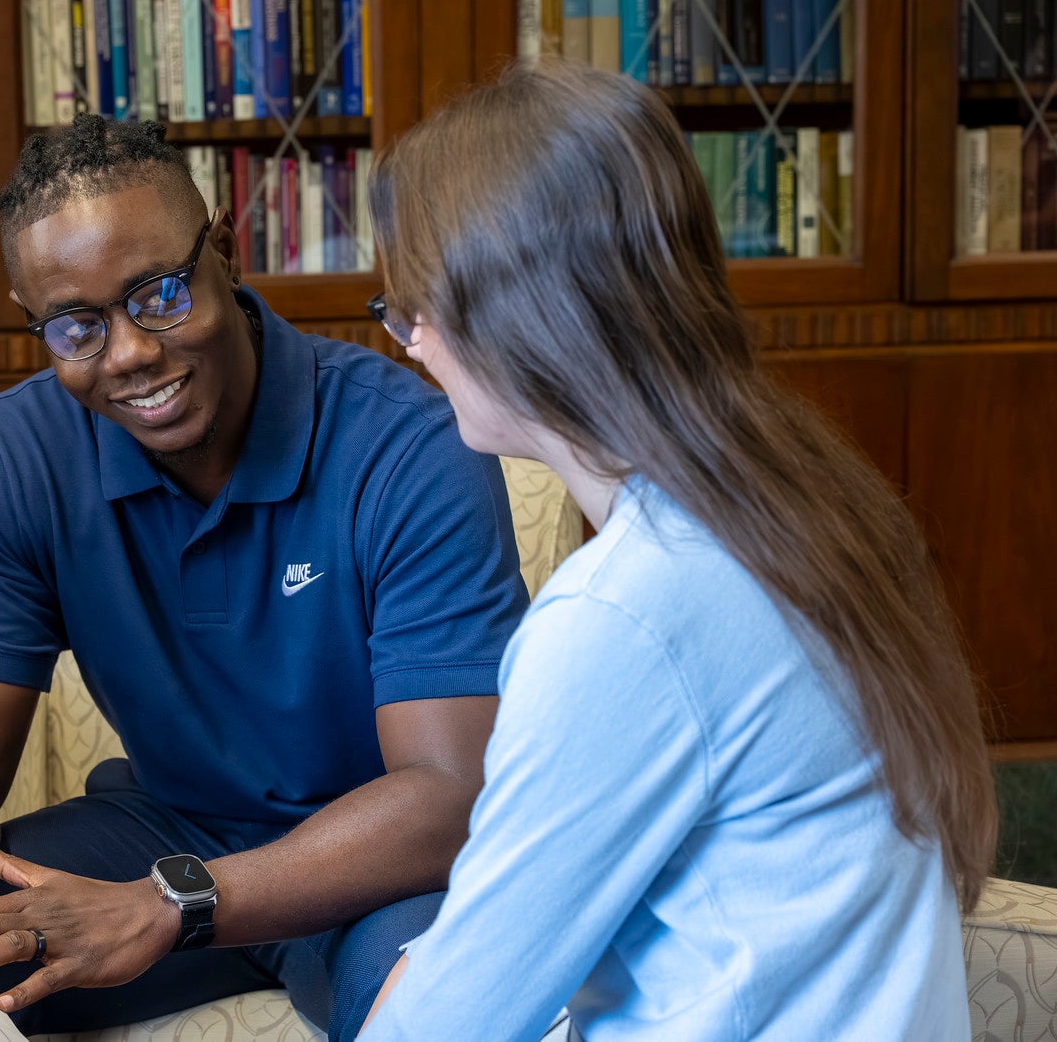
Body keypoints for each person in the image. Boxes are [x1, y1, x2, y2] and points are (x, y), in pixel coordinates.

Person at [0, 114, 530, 1041]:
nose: (129, 351)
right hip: (160, 827)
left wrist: (172, 902)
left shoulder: (408, 446)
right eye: (78, 326)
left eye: (159, 293)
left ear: (225, 252)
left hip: (376, 867)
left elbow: (451, 790)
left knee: (444, 1005)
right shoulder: (14, 457)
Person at [356, 59, 997, 1041]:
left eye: (411, 306)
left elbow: (448, 1023)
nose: (410, 343)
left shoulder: (621, 617)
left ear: (517, 319)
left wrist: (426, 980)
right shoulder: (806, 493)